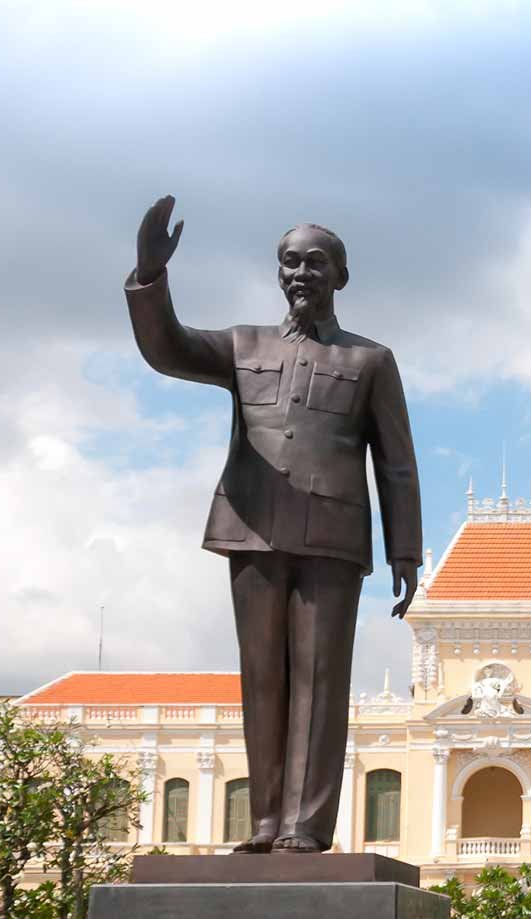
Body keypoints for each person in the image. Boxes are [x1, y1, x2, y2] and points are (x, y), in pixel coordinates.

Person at [123, 197, 422, 854]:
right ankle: (265, 822)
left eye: (315, 263)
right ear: (278, 272)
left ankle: (304, 827)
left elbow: (396, 463)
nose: (301, 273)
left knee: (320, 679)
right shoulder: (243, 346)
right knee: (261, 677)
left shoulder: (370, 360)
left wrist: (406, 551)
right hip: (251, 528)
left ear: (340, 275)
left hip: (332, 538)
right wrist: (149, 277)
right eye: (290, 262)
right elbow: (168, 348)